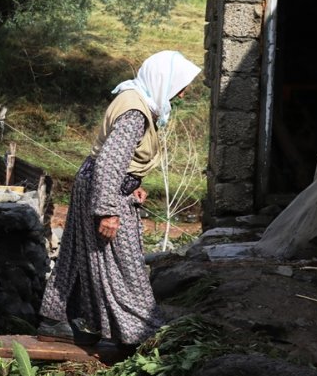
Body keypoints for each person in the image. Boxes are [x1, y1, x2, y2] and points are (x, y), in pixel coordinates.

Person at [36, 51, 201, 347]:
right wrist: (108, 211)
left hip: (99, 185)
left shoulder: (136, 99)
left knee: (77, 251)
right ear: (164, 80)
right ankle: (132, 332)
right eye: (180, 86)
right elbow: (110, 162)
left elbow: (119, 160)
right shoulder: (136, 113)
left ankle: (56, 319)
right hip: (104, 189)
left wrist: (133, 184)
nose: (184, 93)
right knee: (124, 264)